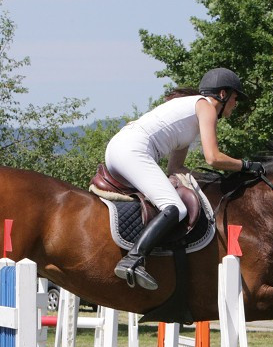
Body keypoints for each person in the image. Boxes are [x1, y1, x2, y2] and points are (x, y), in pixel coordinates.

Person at [105, 67, 261, 290]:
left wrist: (204, 182)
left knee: (168, 202)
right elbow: (213, 158)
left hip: (120, 149)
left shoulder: (192, 114)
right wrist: (245, 165)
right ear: (223, 95)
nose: (236, 104)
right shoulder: (205, 107)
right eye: (235, 98)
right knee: (176, 208)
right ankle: (133, 259)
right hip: (132, 151)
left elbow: (175, 167)